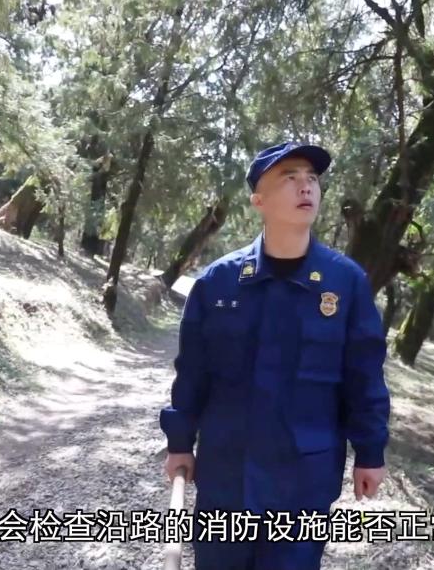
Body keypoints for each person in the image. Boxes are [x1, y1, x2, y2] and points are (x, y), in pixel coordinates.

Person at [159, 141, 391, 569]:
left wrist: (370, 452)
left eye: (312, 178)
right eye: (290, 177)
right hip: (228, 474)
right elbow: (192, 373)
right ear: (258, 201)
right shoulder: (218, 283)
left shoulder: (345, 283)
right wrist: (179, 443)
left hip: (303, 483)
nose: (306, 186)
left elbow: (363, 376)